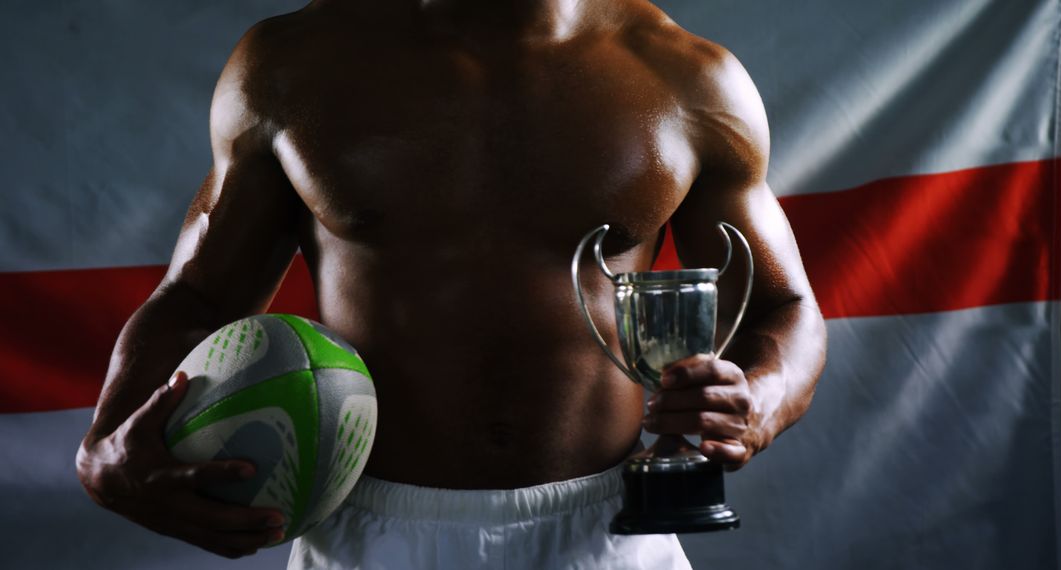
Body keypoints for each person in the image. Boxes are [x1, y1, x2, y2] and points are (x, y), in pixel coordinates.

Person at [75, 0, 827, 567]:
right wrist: (106, 447)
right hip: (369, 534)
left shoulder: (687, 77)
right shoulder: (293, 66)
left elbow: (782, 306)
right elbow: (200, 298)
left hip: (610, 531)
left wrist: (758, 397)